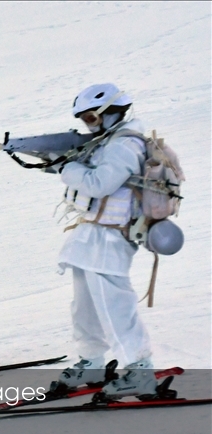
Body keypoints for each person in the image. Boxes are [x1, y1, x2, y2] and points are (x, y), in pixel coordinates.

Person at [51, 84, 155, 397]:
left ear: (112, 111)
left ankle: (140, 370)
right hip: (94, 230)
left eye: (92, 117)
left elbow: (99, 183)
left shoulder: (126, 144)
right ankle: (92, 361)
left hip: (113, 234)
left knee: (114, 305)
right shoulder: (110, 140)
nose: (88, 124)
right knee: (85, 306)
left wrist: (66, 166)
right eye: (84, 119)